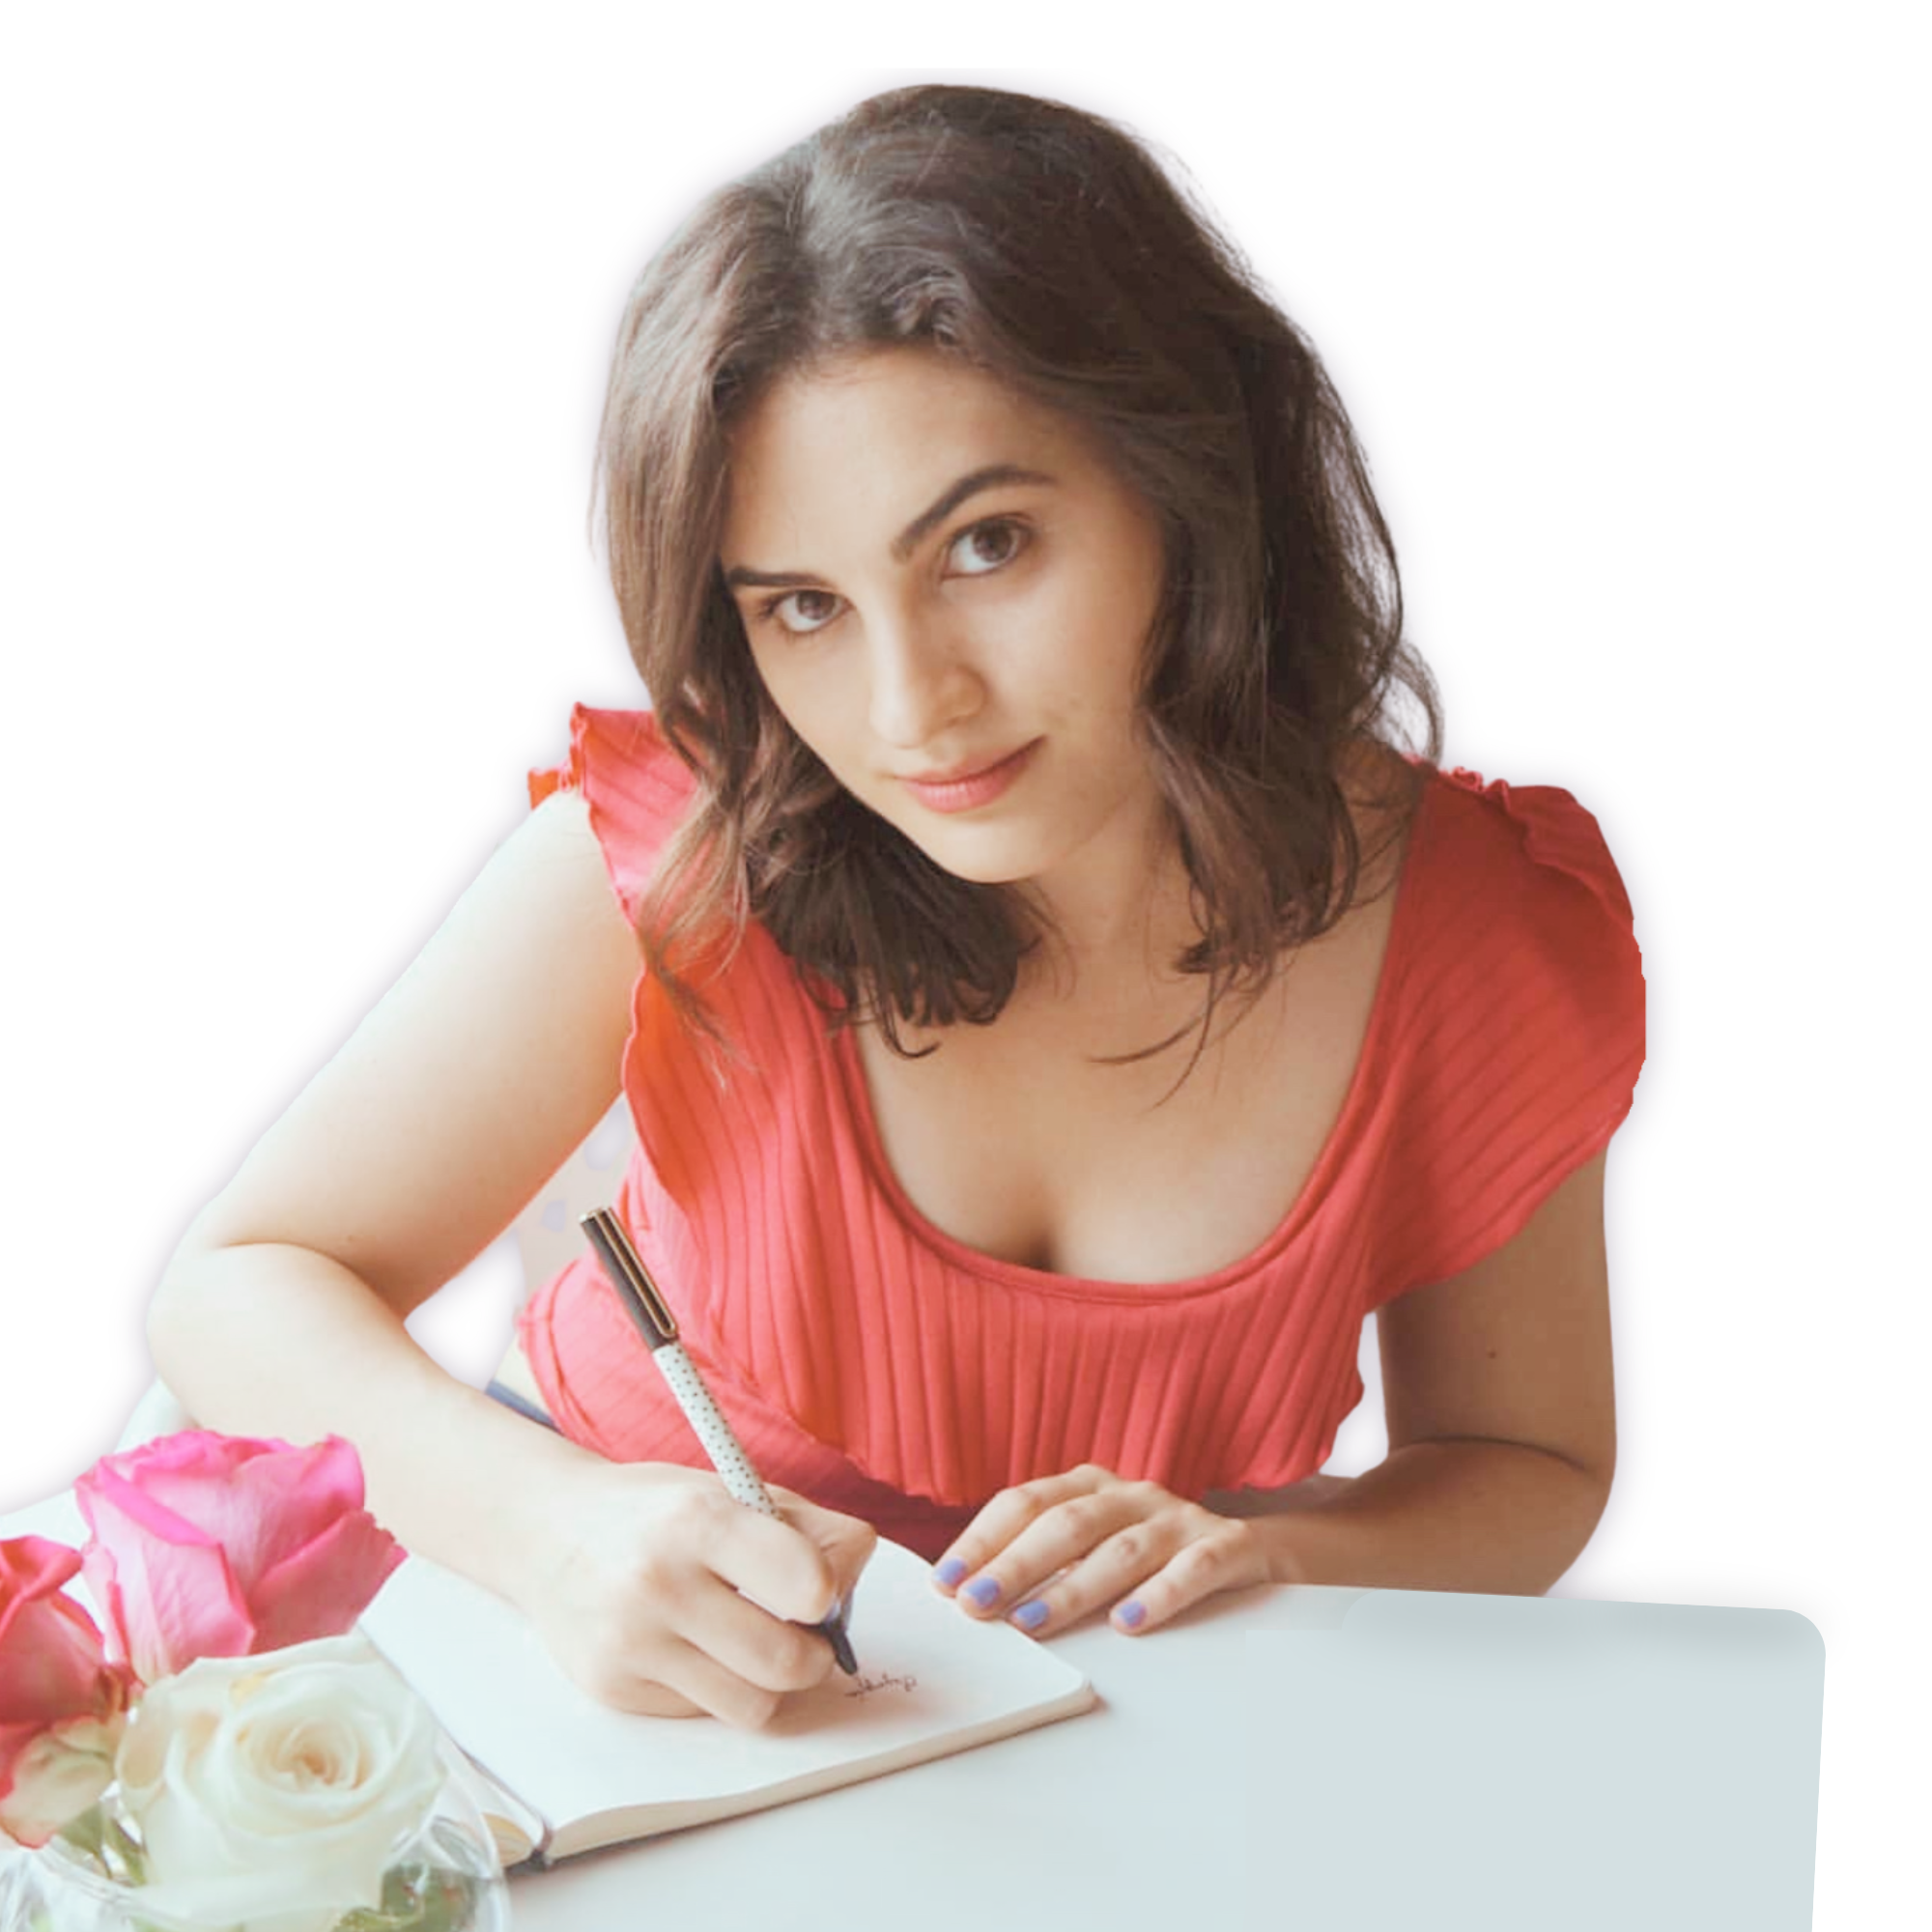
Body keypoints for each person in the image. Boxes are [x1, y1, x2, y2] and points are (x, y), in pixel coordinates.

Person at [144, 79, 1646, 1732]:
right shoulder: (687, 851)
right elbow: (237, 1281)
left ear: (1194, 487)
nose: (911, 708)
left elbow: (1525, 1462)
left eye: (987, 545)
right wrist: (557, 1535)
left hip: (1127, 1716)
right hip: (603, 1652)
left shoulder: (1479, 926)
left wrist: (1280, 1553)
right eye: (802, 605)